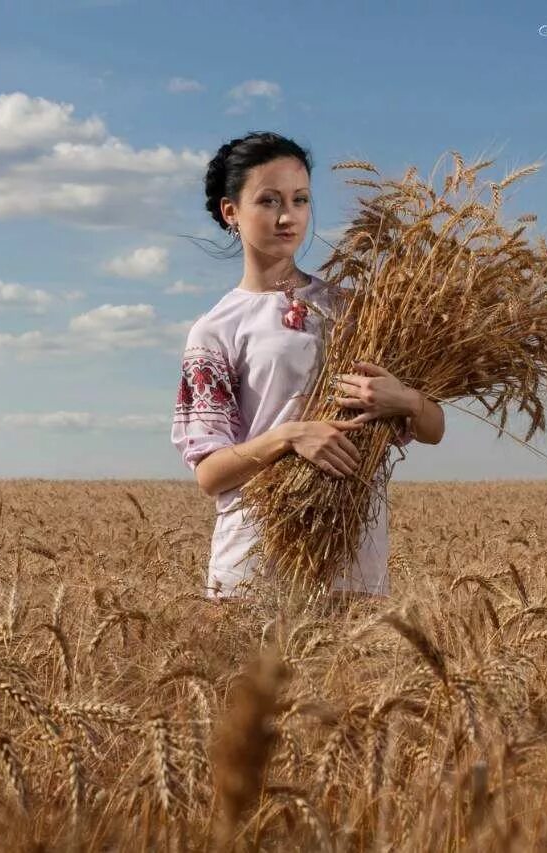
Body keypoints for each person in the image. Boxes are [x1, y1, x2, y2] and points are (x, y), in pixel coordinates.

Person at [171, 132, 445, 608]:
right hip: (255, 562)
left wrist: (406, 401)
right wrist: (291, 436)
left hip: (352, 559)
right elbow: (211, 474)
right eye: (268, 200)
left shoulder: (358, 312)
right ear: (230, 212)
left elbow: (434, 428)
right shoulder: (214, 330)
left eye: (300, 200)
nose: (287, 216)